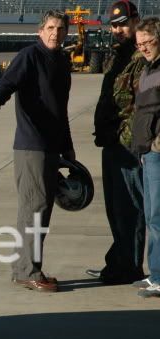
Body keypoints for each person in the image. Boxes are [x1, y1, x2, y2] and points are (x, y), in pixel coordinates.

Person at [0, 10, 75, 293]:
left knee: (43, 210)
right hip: (31, 146)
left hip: (52, 146)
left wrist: (67, 147)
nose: (56, 33)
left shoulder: (62, 61)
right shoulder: (29, 56)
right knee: (33, 208)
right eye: (51, 27)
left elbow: (60, 109)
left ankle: (30, 267)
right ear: (40, 31)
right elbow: (7, 84)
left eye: (61, 28)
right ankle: (26, 271)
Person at [88, 1, 147, 285]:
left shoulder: (142, 57)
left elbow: (142, 107)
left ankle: (130, 267)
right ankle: (119, 260)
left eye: (123, 23)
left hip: (127, 146)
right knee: (114, 208)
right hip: (111, 143)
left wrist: (128, 139)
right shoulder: (116, 56)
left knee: (130, 208)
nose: (118, 29)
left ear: (136, 21)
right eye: (114, 25)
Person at [131, 17, 160, 297]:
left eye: (147, 42)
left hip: (157, 151)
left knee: (157, 216)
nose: (143, 48)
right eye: (139, 44)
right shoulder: (148, 68)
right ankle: (156, 273)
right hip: (148, 152)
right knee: (152, 216)